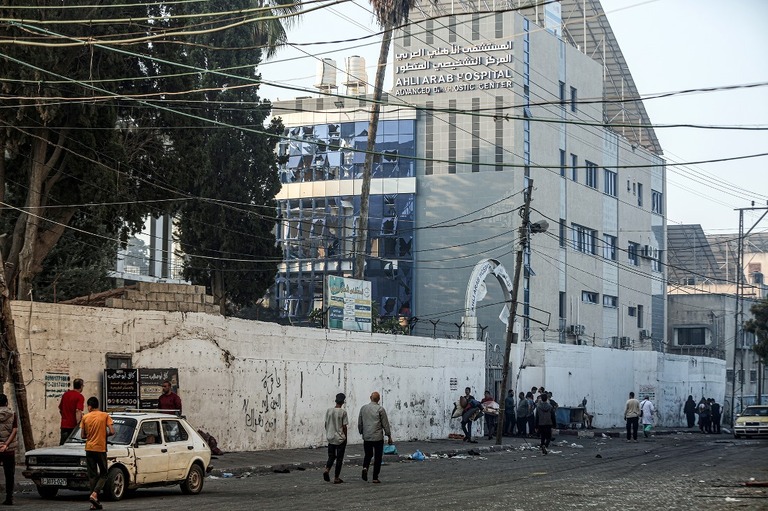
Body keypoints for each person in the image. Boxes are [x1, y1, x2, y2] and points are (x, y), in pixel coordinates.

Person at [80, 396, 115, 510]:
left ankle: (93, 503)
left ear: (89, 406)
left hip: (89, 448)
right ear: (97, 405)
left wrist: (90, 435)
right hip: (100, 449)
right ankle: (94, 494)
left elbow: (82, 436)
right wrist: (103, 435)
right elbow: (112, 431)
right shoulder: (104, 415)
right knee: (104, 474)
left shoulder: (85, 417)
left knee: (92, 476)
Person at [358, 392, 392, 484]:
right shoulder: (380, 409)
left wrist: (362, 432)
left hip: (367, 436)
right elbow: (385, 424)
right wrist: (389, 436)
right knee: (378, 457)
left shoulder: (363, 408)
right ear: (379, 399)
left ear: (370, 398)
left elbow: (360, 423)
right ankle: (375, 478)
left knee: (368, 455)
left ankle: (365, 468)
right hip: (377, 437)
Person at [323, 393, 348, 484]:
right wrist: (345, 437)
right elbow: (344, 426)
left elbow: (326, 424)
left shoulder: (329, 411)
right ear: (343, 402)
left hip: (331, 437)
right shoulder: (343, 412)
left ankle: (327, 469)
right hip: (340, 438)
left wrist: (329, 432)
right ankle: (336, 477)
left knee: (331, 456)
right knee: (339, 459)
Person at [0, 394, 17, 506]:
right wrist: (6, 444)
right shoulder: (13, 414)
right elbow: (14, 430)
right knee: (9, 474)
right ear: (6, 403)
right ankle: (9, 497)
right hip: (9, 449)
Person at [58, 378, 85, 445]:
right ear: (81, 386)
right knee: (73, 446)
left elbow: (60, 409)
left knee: (63, 444)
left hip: (64, 425)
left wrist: (65, 417)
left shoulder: (65, 395)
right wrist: (78, 425)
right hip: (73, 427)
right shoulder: (79, 397)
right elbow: (78, 411)